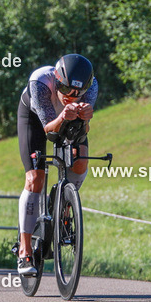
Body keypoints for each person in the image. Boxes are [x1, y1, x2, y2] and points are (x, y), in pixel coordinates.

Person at [16, 54, 96, 276]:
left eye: (78, 93)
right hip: (35, 119)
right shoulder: (40, 81)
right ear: (57, 81)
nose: (72, 96)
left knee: (80, 162)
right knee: (35, 178)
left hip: (69, 120)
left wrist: (86, 119)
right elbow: (48, 130)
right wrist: (63, 116)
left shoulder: (92, 85)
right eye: (66, 90)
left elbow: (85, 129)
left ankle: (63, 205)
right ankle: (25, 251)